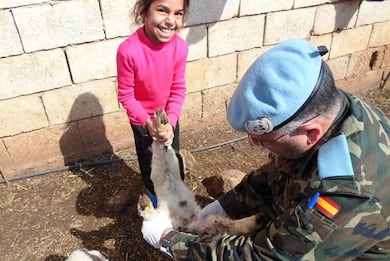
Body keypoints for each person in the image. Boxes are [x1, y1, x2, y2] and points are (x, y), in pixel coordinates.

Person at [140, 38, 390, 260]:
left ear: (311, 133)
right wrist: (226, 205)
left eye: (263, 140)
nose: (253, 144)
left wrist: (169, 240)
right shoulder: (326, 105)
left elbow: (263, 255)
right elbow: (279, 171)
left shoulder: (343, 195)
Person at [116, 0, 190, 207]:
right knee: (151, 164)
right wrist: (147, 123)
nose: (170, 20)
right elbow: (126, 96)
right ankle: (157, 204)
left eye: (178, 14)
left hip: (165, 115)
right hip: (142, 119)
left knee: (172, 158)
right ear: (144, 12)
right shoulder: (128, 51)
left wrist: (170, 124)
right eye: (162, 10)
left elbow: (177, 89)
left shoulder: (179, 47)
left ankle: (178, 200)